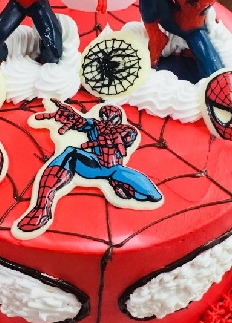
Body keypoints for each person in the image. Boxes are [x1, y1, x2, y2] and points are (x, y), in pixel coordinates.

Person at [16, 100, 162, 234]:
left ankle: (120, 185)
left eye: (111, 119)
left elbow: (127, 137)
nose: (106, 122)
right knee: (70, 153)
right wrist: (71, 117)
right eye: (104, 118)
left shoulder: (126, 130)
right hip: (94, 165)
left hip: (115, 169)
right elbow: (82, 122)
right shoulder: (94, 125)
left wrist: (109, 137)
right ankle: (42, 208)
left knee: (153, 195)